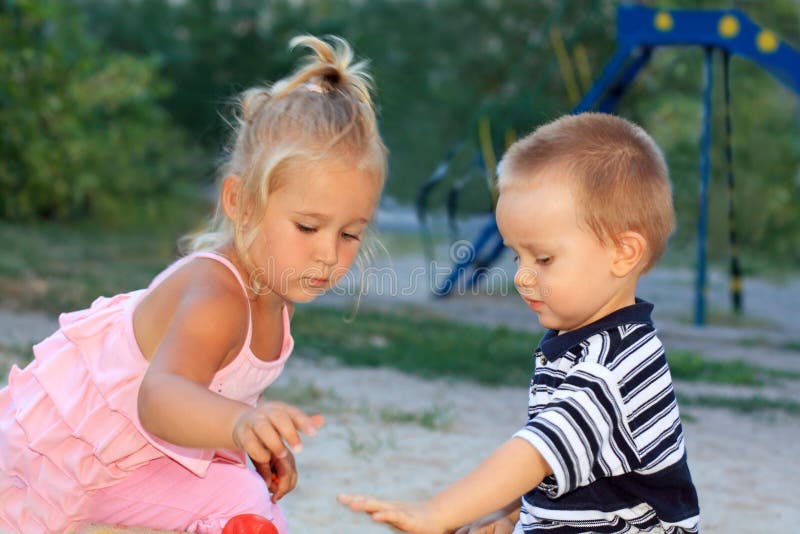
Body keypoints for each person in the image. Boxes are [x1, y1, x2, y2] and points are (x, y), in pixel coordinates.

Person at [0, 34, 387, 534]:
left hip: (142, 458)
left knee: (249, 504)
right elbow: (160, 397)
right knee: (241, 505)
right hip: (79, 460)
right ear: (241, 203)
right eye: (308, 227)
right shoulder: (216, 294)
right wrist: (237, 423)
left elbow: (212, 391)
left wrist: (247, 443)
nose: (328, 253)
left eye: (350, 233)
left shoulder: (274, 292)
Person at [340, 113, 700, 534]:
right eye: (516, 256)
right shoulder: (584, 341)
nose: (522, 277)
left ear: (623, 253)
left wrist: (437, 512)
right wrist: (510, 512)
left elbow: (536, 453)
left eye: (543, 259)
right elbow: (570, 460)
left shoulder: (615, 369)